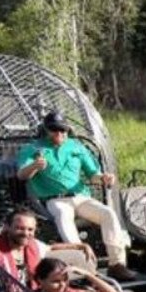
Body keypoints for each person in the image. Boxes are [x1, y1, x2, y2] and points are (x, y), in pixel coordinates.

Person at [17, 111, 139, 282]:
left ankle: (117, 264)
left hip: (80, 196)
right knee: (63, 214)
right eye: (54, 130)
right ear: (46, 130)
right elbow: (22, 175)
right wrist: (35, 166)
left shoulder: (76, 146)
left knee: (108, 213)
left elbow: (93, 175)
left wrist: (103, 178)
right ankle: (83, 265)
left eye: (63, 130)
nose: (59, 134)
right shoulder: (33, 148)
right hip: (54, 198)